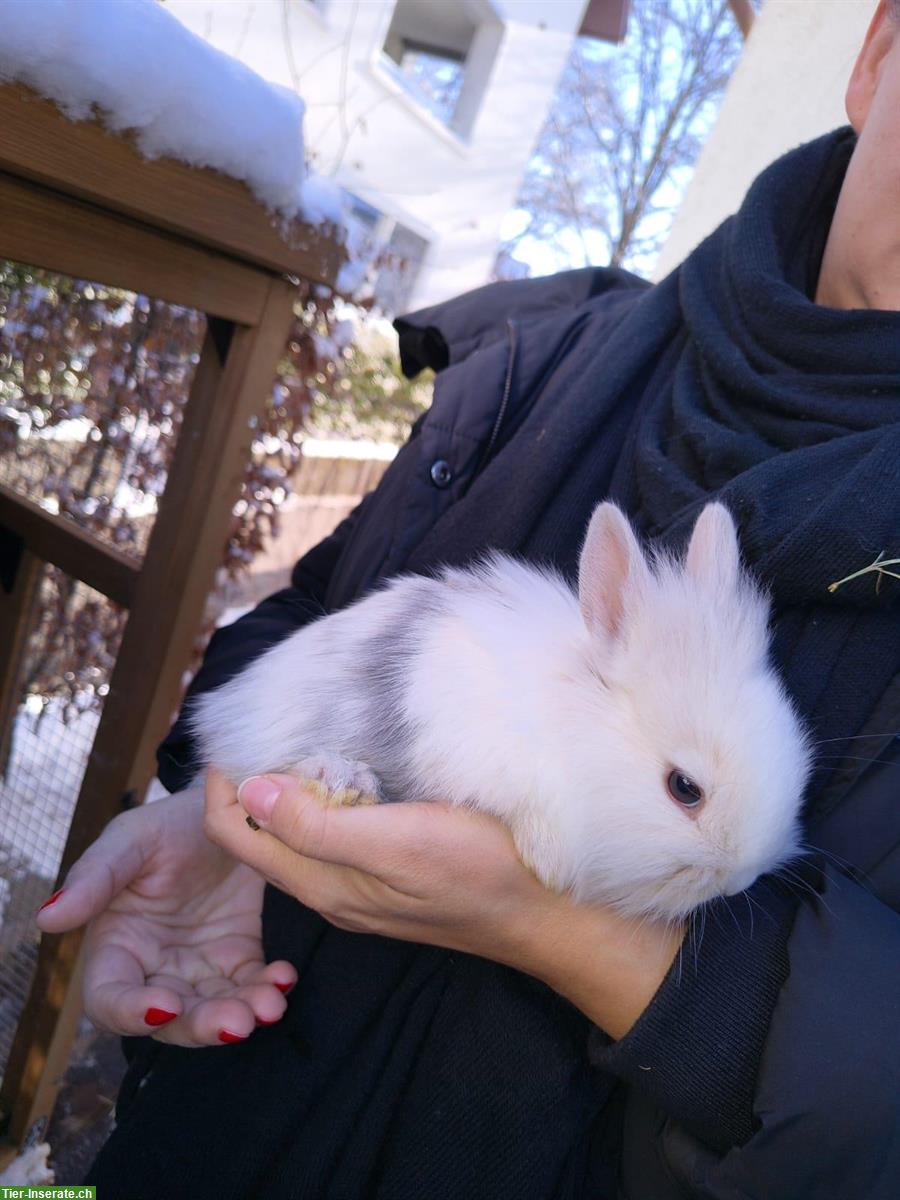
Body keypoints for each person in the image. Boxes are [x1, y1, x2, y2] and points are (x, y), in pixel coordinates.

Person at [38, 2, 900, 1196]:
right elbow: (318, 619)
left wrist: (562, 929)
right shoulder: (544, 354)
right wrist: (222, 813)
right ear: (876, 53)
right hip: (233, 1126)